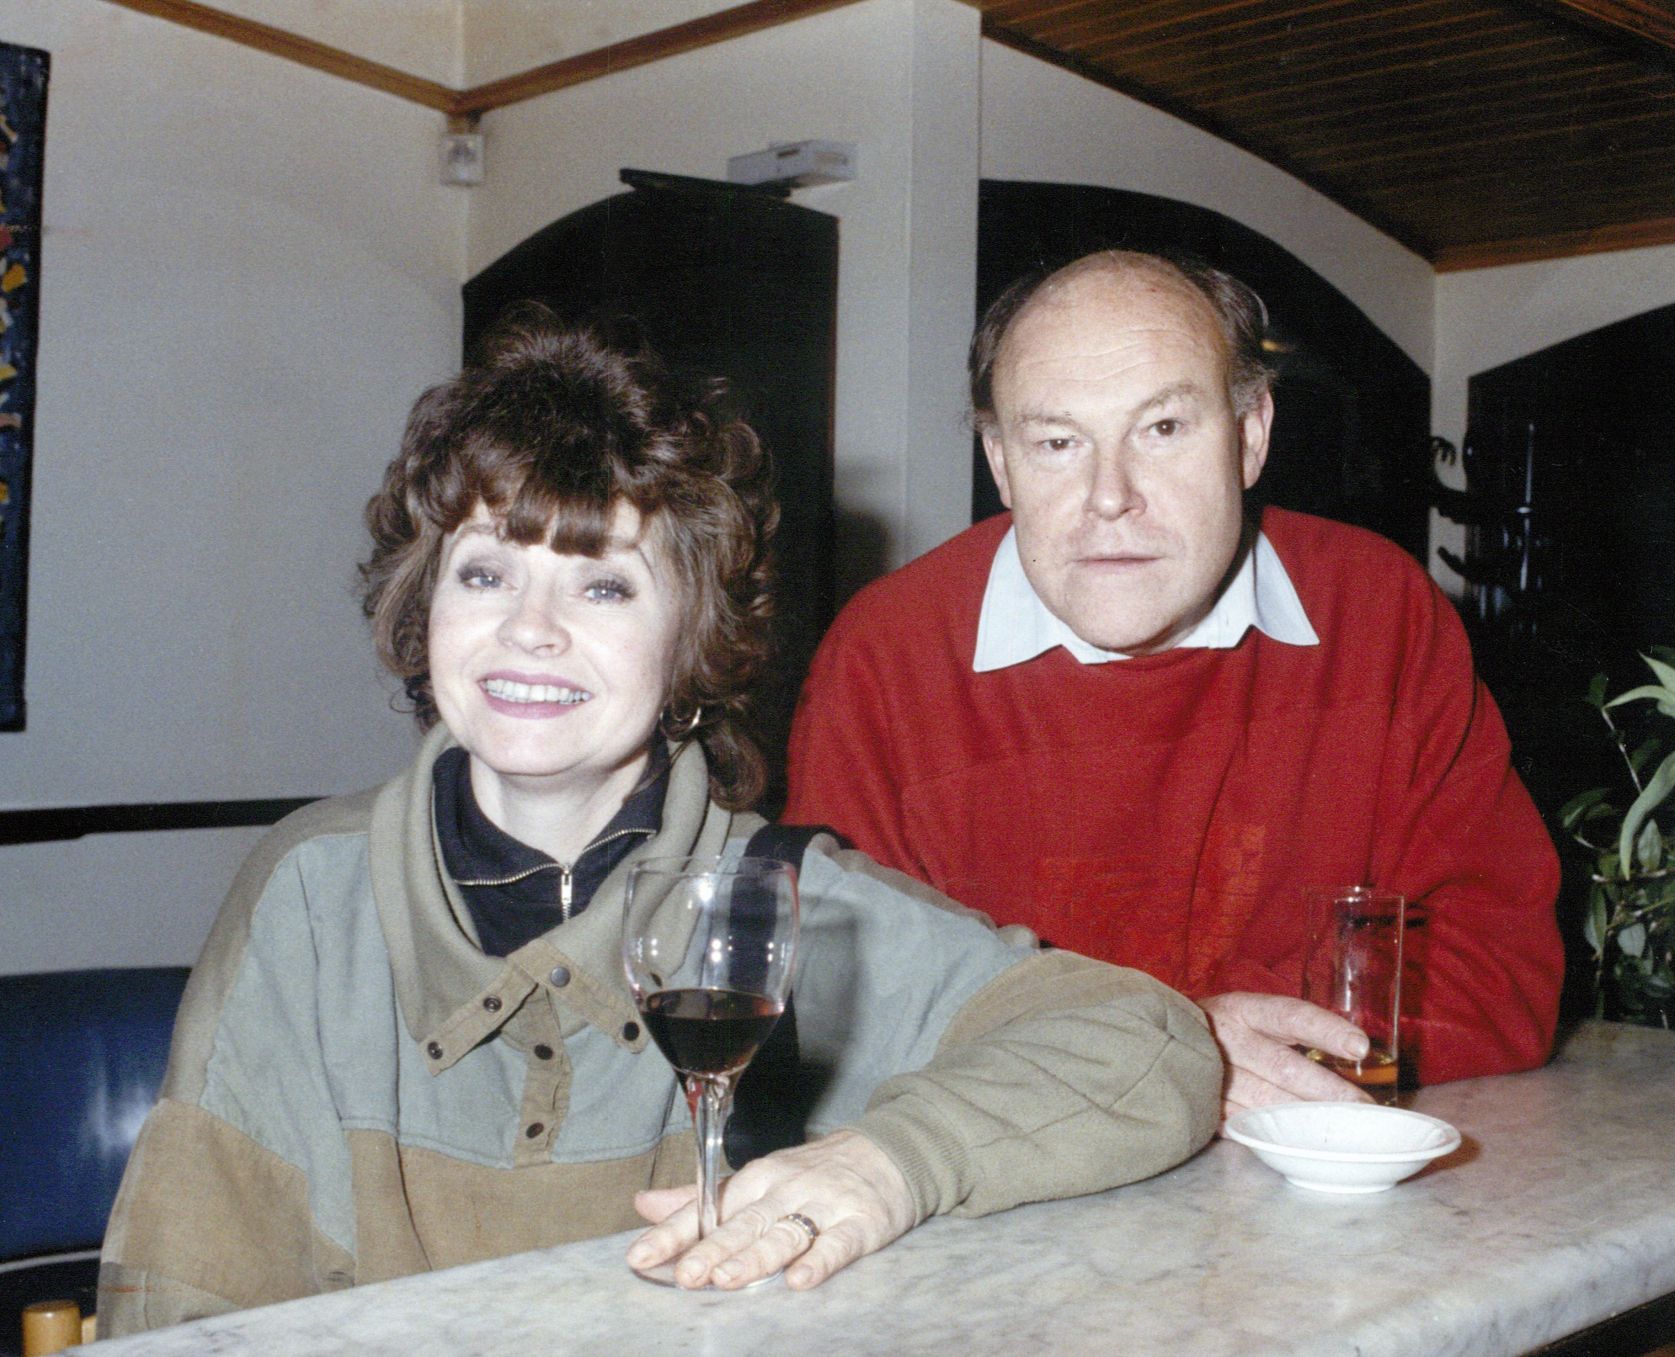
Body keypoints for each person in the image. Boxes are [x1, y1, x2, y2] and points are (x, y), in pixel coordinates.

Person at [97, 319, 1220, 1335]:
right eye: (485, 571)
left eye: (603, 589)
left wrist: (888, 1166)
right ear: (422, 606)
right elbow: (181, 1299)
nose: (529, 631)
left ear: (691, 636)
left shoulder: (775, 901)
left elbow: (1148, 1045)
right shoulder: (305, 891)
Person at [785, 251, 1563, 1120]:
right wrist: (1175, 1045)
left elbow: (1502, 967)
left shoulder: (1381, 615)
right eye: (1056, 443)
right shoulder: (885, 659)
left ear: (1251, 435)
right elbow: (835, 1027)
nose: (1109, 496)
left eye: (1162, 429)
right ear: (1000, 463)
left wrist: (1211, 1050)